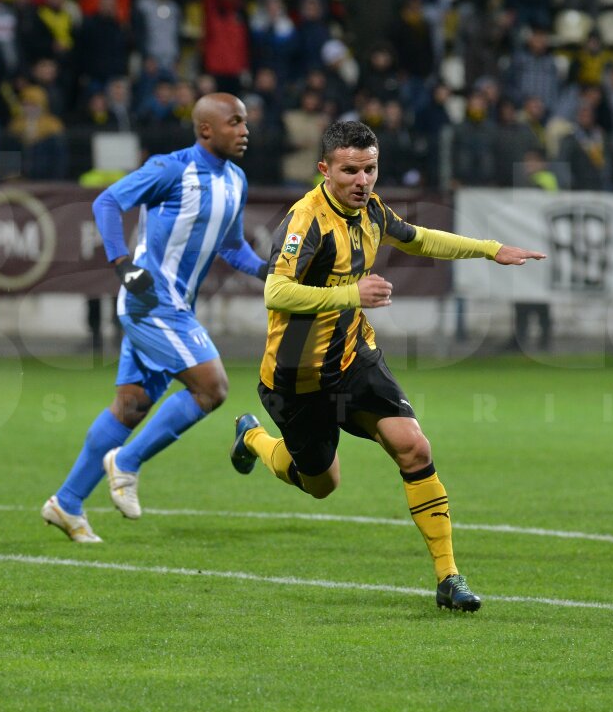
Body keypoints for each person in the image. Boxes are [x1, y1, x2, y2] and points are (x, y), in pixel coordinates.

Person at [229, 121, 546, 612]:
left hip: (355, 360)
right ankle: (252, 437)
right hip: (298, 380)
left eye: (370, 169)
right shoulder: (305, 221)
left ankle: (449, 578)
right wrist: (352, 293)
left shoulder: (372, 209)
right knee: (321, 483)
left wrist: (489, 250)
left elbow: (418, 238)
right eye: (349, 170)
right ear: (325, 170)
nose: (361, 180)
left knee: (414, 448)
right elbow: (275, 290)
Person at [41, 93, 267, 543]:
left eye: (245, 122)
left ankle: (66, 503)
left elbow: (231, 245)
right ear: (206, 130)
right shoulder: (172, 168)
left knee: (130, 407)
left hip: (177, 307)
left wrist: (267, 270)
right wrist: (123, 264)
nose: (245, 130)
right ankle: (126, 462)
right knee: (213, 387)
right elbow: (107, 202)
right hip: (150, 302)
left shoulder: (236, 180)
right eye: (234, 121)